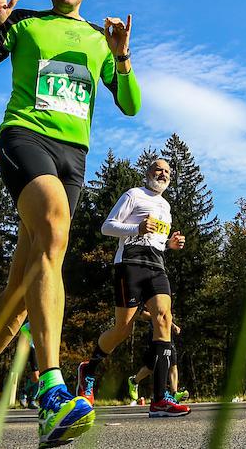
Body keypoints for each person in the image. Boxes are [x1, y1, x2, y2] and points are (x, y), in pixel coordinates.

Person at [0, 0, 140, 447]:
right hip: (25, 138)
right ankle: (52, 390)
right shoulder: (24, 23)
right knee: (53, 230)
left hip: (74, 156)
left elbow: (131, 104)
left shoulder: (98, 39)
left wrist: (121, 56)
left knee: (22, 291)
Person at [77, 159, 188, 417]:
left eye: (168, 172)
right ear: (148, 173)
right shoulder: (134, 194)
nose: (163, 174)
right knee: (122, 330)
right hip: (129, 264)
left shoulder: (166, 206)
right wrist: (135, 227)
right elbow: (107, 227)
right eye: (159, 169)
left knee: (163, 317)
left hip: (157, 265)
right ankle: (88, 369)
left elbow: (157, 241)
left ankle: (160, 398)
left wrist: (170, 245)